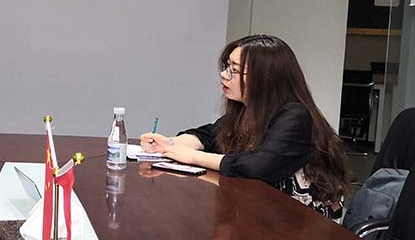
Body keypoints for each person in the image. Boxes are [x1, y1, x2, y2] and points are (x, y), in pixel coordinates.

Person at [140, 34, 348, 221]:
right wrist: (170, 143)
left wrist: (192, 157)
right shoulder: (247, 110)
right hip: (262, 215)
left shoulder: (295, 115)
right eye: (226, 67)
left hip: (303, 226)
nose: (224, 75)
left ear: (265, 78)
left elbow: (258, 165)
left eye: (235, 70)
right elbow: (209, 135)